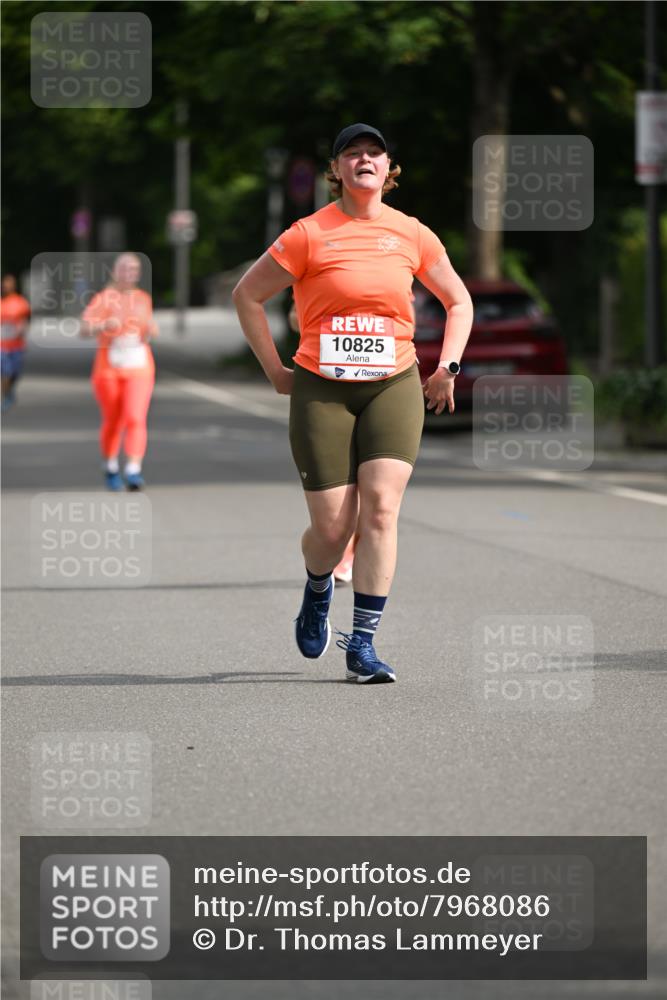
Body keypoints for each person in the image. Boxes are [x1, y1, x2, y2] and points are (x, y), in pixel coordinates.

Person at [233, 123, 473, 683]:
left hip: (393, 382)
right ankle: (318, 586)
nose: (364, 160)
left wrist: (448, 368)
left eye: (375, 153)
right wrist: (274, 369)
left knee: (382, 510)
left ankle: (361, 645)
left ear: (388, 170)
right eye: (352, 154)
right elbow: (246, 294)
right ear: (336, 170)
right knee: (333, 529)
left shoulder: (412, 234)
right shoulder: (308, 234)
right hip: (323, 386)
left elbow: (458, 300)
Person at [288, 294, 357, 586]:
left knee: (372, 485)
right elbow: (294, 317)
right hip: (327, 382)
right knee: (344, 487)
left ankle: (349, 553)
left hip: (379, 385)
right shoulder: (319, 268)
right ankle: (339, 549)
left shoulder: (388, 268)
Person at [80, 253, 157, 491]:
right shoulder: (104, 299)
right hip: (109, 370)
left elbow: (148, 327)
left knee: (135, 417)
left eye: (134, 270)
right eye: (125, 269)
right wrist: (103, 325)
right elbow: (83, 329)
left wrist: (151, 330)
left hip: (139, 367)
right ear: (115, 272)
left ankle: (133, 470)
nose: (129, 274)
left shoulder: (143, 298)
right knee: (114, 421)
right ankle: (111, 466)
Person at [1, 274, 31, 412]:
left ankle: (10, 391)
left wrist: (21, 331)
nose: (7, 286)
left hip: (17, 345)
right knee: (5, 372)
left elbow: (25, 321)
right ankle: (6, 396)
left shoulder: (21, 302)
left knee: (15, 373)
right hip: (2, 345)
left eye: (10, 283)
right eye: (5, 283)